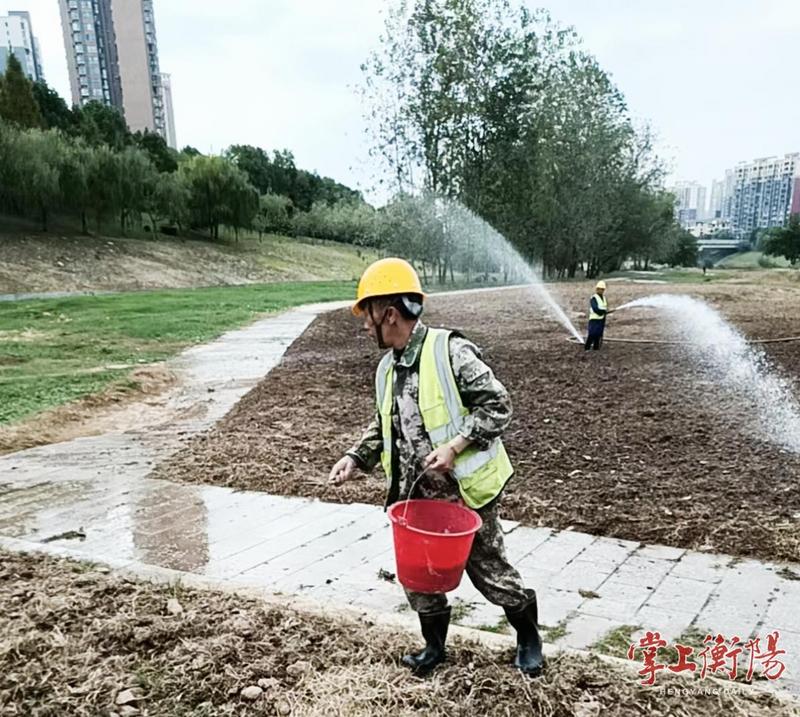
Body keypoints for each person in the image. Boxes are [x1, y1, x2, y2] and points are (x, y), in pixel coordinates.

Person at [329, 257, 543, 677]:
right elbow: (383, 424)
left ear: (388, 313)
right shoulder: (386, 367)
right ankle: (434, 648)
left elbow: (499, 405)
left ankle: (529, 639)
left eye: (366, 314)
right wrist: (355, 457)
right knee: (418, 580)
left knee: (491, 574)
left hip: (463, 495)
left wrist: (457, 444)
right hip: (415, 499)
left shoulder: (450, 351)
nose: (364, 324)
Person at [585, 280, 614, 350]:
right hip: (594, 319)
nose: (600, 290)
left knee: (598, 335)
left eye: (602, 289)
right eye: (599, 289)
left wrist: (607, 311)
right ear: (596, 289)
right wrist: (604, 311)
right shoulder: (593, 298)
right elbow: (595, 308)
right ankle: (587, 348)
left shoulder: (604, 298)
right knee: (592, 334)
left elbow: (604, 308)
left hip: (601, 319)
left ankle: (596, 348)